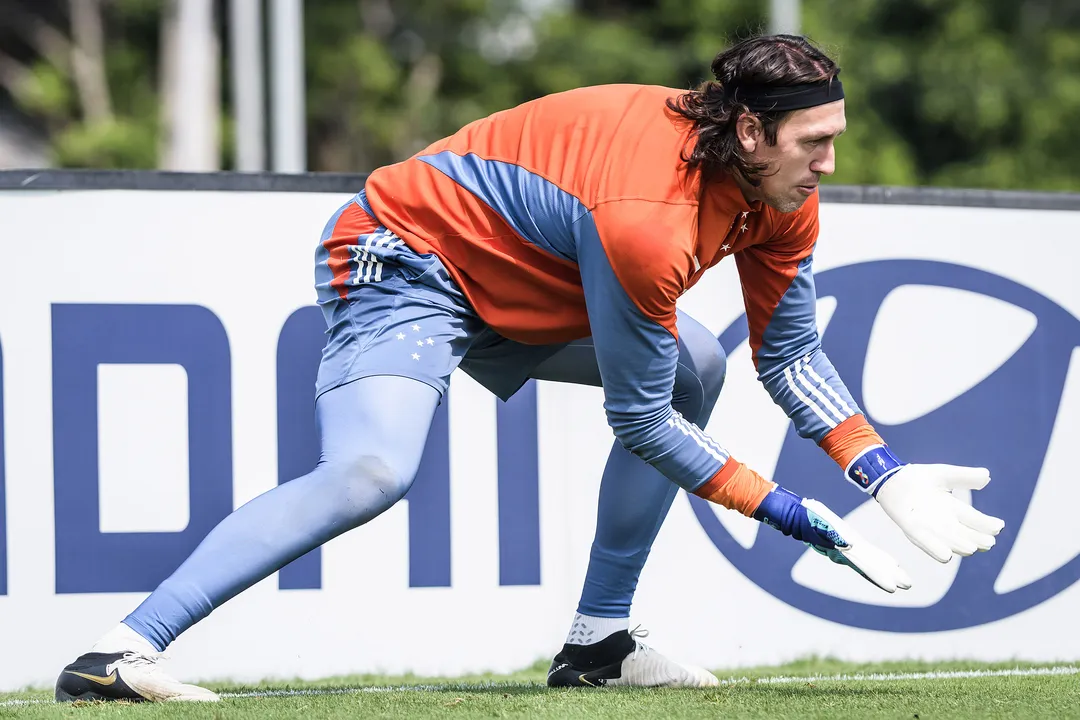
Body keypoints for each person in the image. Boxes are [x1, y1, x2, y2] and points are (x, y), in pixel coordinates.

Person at [55, 34, 1004, 703]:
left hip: (533, 271)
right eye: (814, 142)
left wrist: (883, 473)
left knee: (696, 364)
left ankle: (598, 643)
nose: (830, 163)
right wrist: (799, 517)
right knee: (371, 472)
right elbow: (640, 428)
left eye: (835, 138)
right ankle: (117, 654)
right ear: (749, 134)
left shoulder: (783, 193)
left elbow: (789, 354)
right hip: (410, 254)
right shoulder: (649, 220)